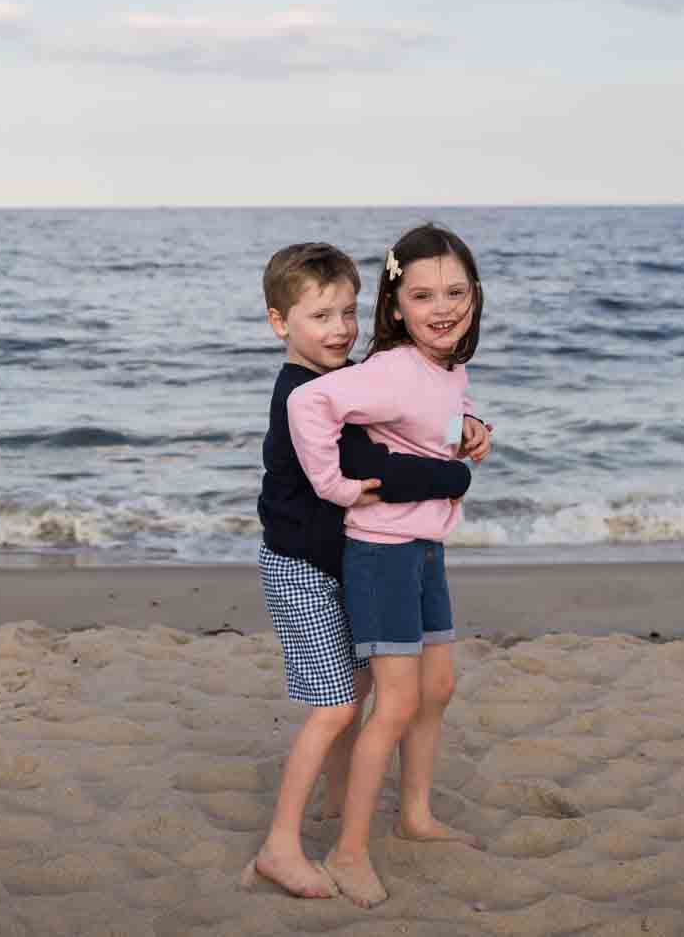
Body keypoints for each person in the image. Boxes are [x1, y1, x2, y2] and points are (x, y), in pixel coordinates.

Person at [245, 242, 490, 900]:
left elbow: (409, 415)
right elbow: (362, 465)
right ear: (279, 322)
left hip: (347, 556)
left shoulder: (360, 372)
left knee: (366, 691)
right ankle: (282, 845)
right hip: (304, 564)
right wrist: (445, 475)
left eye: (347, 312)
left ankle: (344, 808)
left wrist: (468, 425)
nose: (341, 328)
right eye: (321, 315)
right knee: (337, 704)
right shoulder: (304, 390)